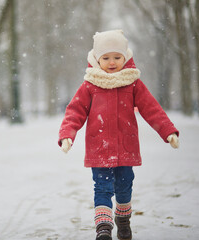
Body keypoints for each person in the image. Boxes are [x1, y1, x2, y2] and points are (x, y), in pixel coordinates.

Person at [58, 30, 179, 240]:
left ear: (126, 57)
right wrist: (68, 133)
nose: (112, 62)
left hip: (126, 148)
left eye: (117, 57)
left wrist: (168, 131)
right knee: (102, 187)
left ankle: (123, 219)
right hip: (99, 148)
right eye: (105, 58)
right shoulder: (90, 85)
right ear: (97, 59)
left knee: (124, 187)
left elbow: (151, 109)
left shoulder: (132, 83)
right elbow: (75, 111)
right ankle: (103, 228)